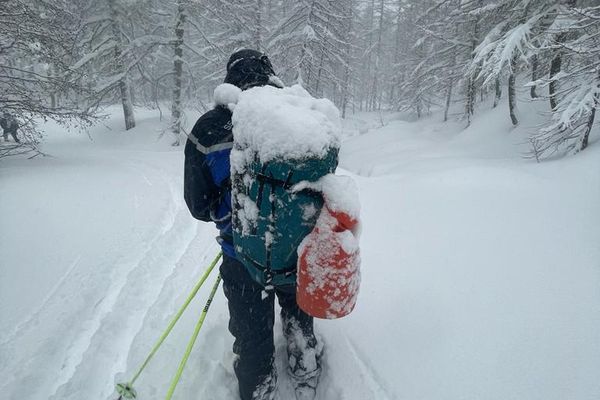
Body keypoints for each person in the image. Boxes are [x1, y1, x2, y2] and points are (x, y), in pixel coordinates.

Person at [183, 49, 323, 400]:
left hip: (242, 256)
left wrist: (230, 217)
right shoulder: (298, 118)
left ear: (230, 78)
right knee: (299, 322)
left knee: (253, 339)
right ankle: (305, 374)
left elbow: (198, 205)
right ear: (270, 76)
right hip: (295, 252)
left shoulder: (207, 128)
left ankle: (260, 387)